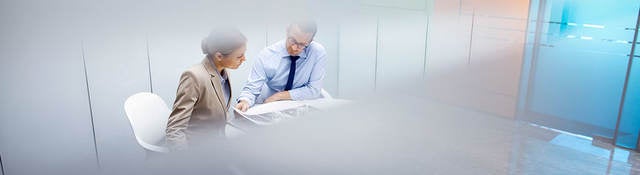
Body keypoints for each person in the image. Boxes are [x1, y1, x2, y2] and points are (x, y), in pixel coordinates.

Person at [166, 28, 247, 151]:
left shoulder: (223, 71)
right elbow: (174, 130)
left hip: (219, 142)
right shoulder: (193, 76)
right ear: (219, 56)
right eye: (239, 56)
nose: (244, 59)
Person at [235, 20, 327, 112]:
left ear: (311, 41)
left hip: (300, 103)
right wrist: (244, 101)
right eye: (293, 40)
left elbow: (314, 90)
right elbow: (251, 88)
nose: (295, 48)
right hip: (270, 104)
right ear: (287, 31)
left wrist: (279, 96)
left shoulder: (317, 52)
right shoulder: (266, 55)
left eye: (302, 44)